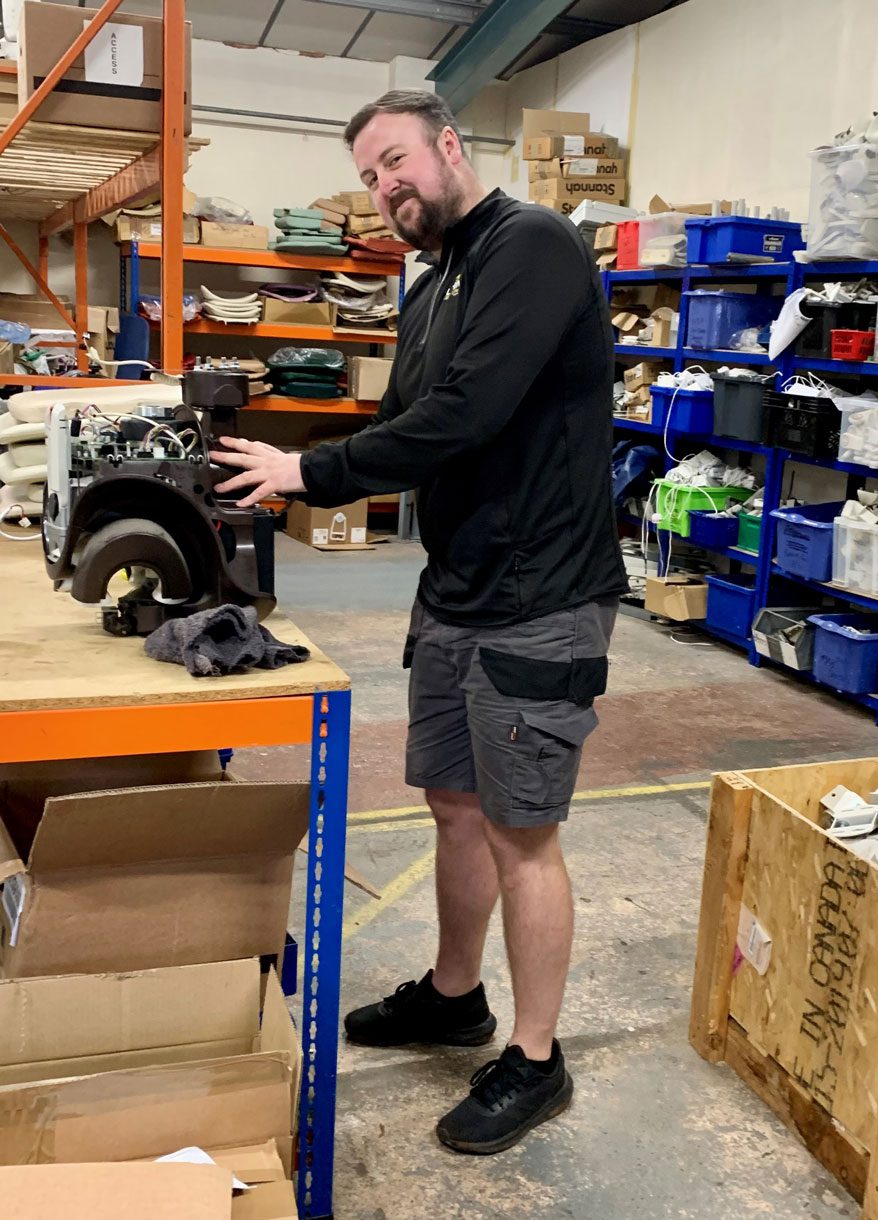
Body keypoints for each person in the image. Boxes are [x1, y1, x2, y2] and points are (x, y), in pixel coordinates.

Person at [210, 89, 627, 1156]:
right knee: (453, 802)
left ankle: (536, 1056)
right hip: (457, 586)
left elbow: (467, 414)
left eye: (396, 160)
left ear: (449, 145)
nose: (386, 187)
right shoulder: (433, 282)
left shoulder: (530, 246)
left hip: (541, 596)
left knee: (523, 833)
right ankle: (455, 994)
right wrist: (284, 465)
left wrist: (310, 471)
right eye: (369, 177)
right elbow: (405, 417)